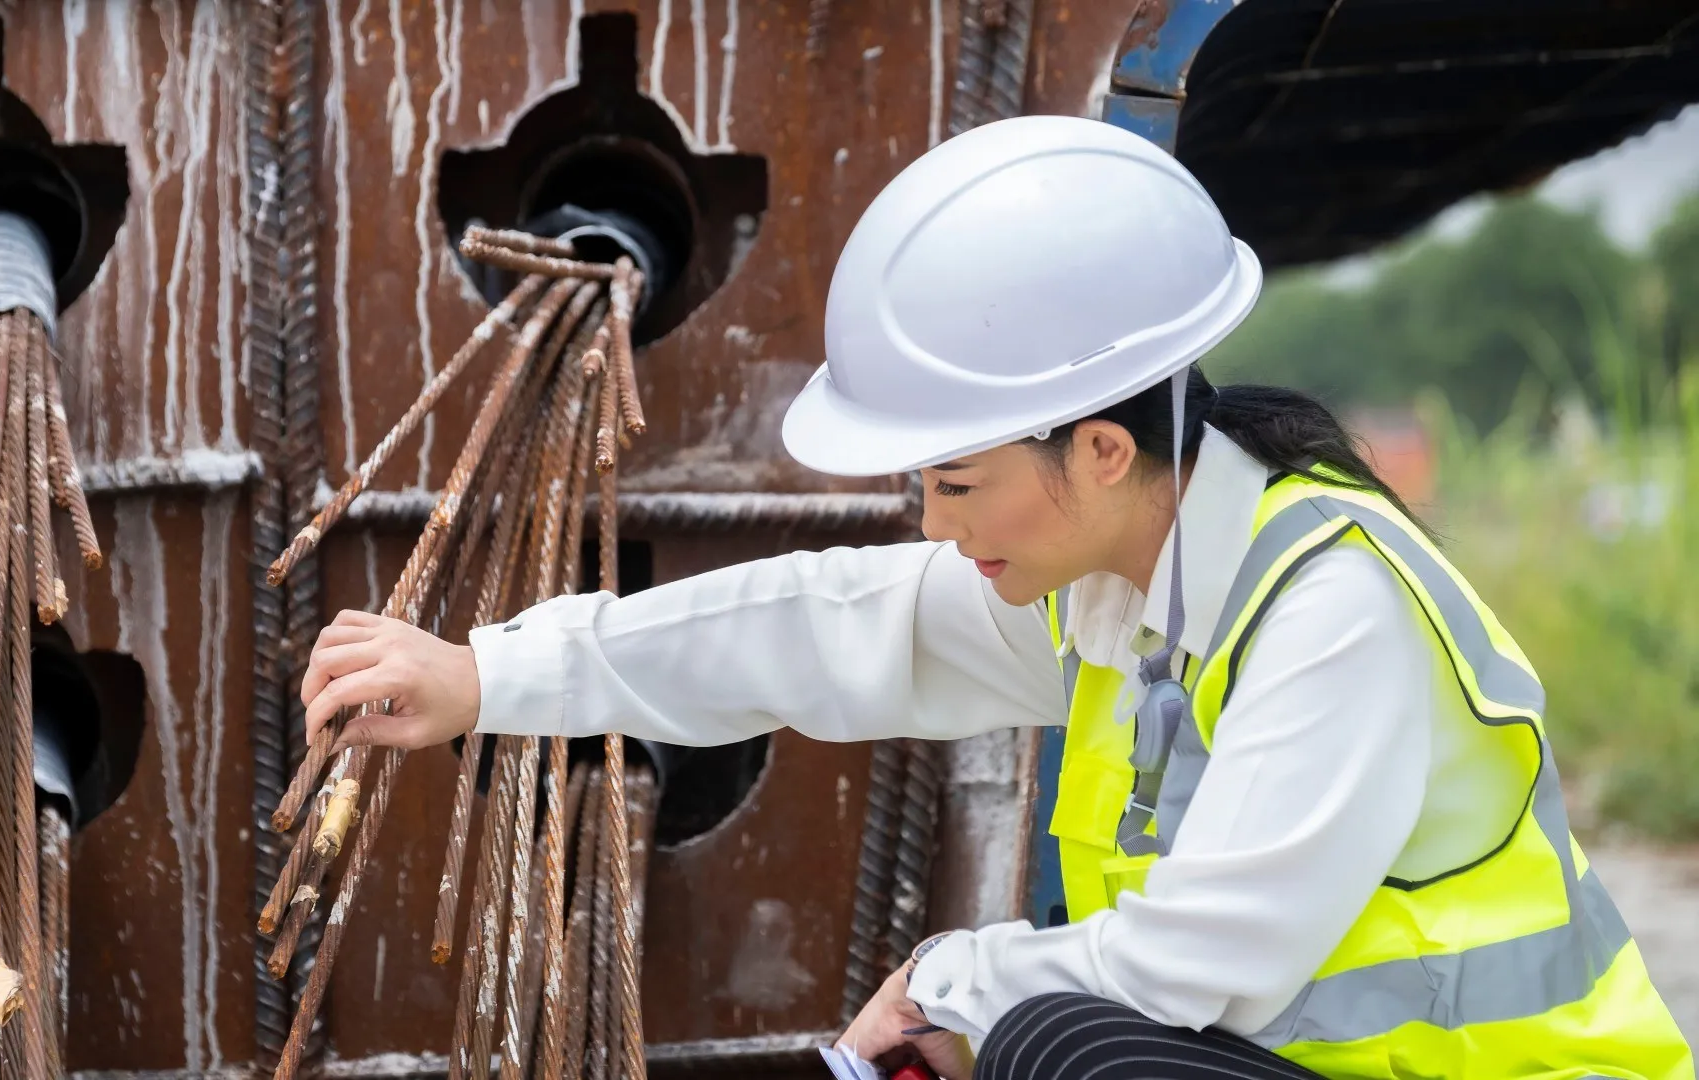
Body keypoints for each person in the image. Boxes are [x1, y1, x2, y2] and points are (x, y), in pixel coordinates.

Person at [298, 117, 1693, 1080]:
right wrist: (488, 677)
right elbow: (831, 624)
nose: (933, 520)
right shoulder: (1130, 593)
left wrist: (949, 984)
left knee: (1058, 1044)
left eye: (957, 483)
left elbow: (1204, 967)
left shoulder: (1332, 611)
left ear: (1097, 450)